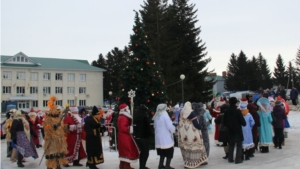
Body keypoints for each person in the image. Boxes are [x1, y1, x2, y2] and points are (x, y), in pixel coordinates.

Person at [178, 102, 208, 168]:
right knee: (197, 146)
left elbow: (179, 122)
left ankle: (187, 162)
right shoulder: (192, 113)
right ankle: (197, 162)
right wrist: (200, 127)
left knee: (187, 147)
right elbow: (195, 124)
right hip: (192, 132)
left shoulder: (181, 113)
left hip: (184, 133)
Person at [43, 96, 68, 169]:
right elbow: (46, 129)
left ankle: (58, 165)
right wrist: (53, 127)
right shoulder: (48, 119)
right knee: (52, 153)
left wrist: (65, 128)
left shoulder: (59, 119)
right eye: (56, 110)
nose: (58, 111)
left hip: (59, 140)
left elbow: (62, 128)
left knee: (58, 154)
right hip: (52, 140)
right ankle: (50, 166)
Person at [224, 97, 246, 164]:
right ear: (236, 103)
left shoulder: (226, 112)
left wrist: (229, 126)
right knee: (239, 145)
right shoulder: (238, 111)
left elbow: (224, 122)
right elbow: (243, 123)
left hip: (230, 130)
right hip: (238, 130)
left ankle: (230, 158)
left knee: (231, 145)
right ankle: (238, 159)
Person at [153, 103, 176, 169]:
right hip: (166, 138)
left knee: (162, 153)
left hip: (158, 138)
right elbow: (170, 126)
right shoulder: (165, 116)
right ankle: (167, 165)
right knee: (169, 152)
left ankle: (160, 165)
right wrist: (173, 130)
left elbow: (155, 126)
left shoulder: (156, 116)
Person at [117, 103, 139, 169]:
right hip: (125, 136)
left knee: (124, 150)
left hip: (123, 136)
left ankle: (122, 165)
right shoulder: (123, 117)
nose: (129, 109)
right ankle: (126, 166)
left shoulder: (122, 116)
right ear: (125, 109)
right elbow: (123, 128)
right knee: (127, 150)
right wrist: (130, 128)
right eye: (128, 108)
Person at [133, 105, 152, 169]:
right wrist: (150, 134)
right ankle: (142, 166)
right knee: (145, 153)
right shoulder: (145, 117)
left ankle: (142, 166)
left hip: (137, 137)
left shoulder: (136, 116)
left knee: (142, 152)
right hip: (144, 137)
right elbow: (148, 127)